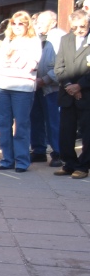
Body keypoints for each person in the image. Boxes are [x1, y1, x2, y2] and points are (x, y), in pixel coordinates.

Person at [0, 11, 42, 172]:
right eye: (14, 23)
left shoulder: (33, 41)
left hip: (22, 88)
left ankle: (21, 161)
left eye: (21, 23)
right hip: (3, 86)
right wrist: (12, 61)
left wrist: (14, 58)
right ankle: (7, 159)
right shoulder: (7, 39)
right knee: (3, 125)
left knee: (21, 125)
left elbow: (31, 66)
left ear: (28, 25)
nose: (17, 26)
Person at [52, 9, 90, 179]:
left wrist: (80, 86)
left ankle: (83, 166)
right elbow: (59, 67)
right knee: (66, 131)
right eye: (74, 27)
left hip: (86, 93)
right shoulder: (65, 39)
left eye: (82, 26)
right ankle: (69, 163)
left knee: (87, 133)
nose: (79, 30)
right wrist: (69, 86)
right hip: (67, 93)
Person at [31, 11, 62, 166]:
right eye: (38, 22)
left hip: (51, 88)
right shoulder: (35, 36)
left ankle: (58, 152)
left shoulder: (60, 38)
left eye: (42, 22)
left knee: (53, 121)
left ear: (53, 22)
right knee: (35, 120)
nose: (38, 24)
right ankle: (38, 151)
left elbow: (61, 65)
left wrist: (45, 79)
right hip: (34, 86)